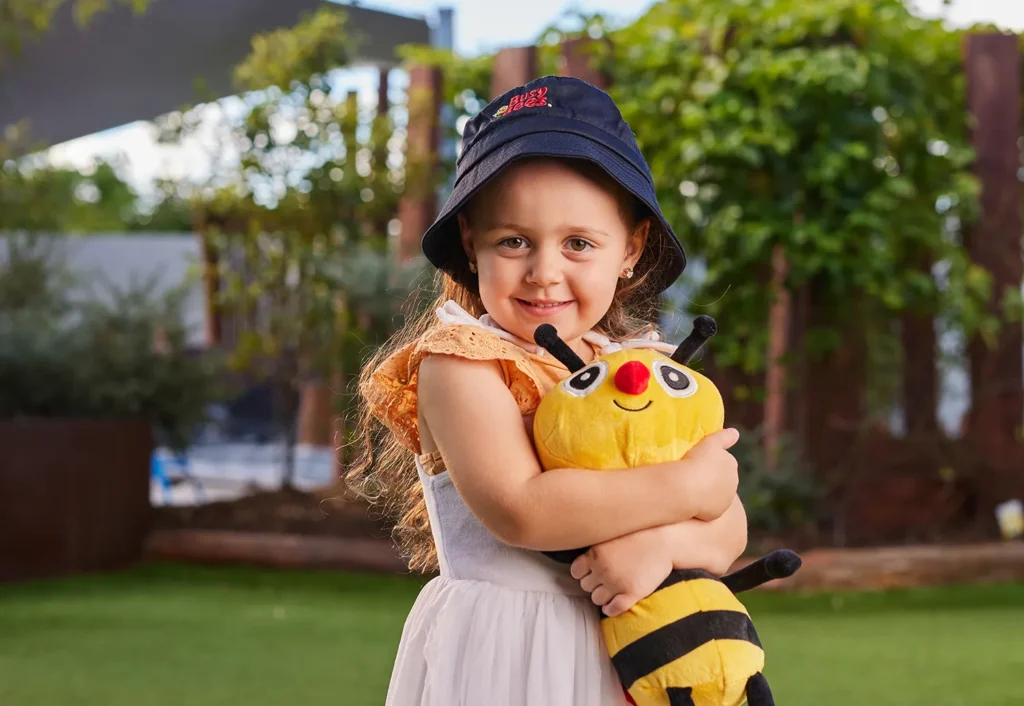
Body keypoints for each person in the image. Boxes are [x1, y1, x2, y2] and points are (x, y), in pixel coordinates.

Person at [348, 76, 748, 706]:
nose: (544, 271)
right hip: (510, 653)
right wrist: (687, 487)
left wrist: (662, 545)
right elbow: (523, 509)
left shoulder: (638, 369)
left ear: (631, 250)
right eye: (514, 241)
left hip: (630, 651)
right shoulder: (461, 364)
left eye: (579, 243)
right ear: (471, 248)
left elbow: (728, 530)